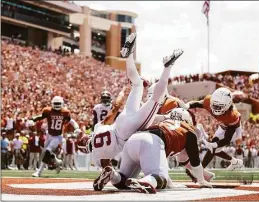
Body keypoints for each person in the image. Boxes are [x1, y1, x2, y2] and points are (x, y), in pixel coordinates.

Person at [77, 32, 183, 170]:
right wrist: (122, 94)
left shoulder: (96, 156)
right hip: (120, 122)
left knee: (156, 100)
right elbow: (112, 113)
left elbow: (108, 171)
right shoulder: (97, 128)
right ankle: (129, 55)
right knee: (137, 84)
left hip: (126, 133)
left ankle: (168, 67)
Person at [93, 108, 212, 194]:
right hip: (152, 142)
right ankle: (145, 181)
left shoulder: (163, 122)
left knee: (122, 181)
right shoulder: (188, 131)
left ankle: (112, 174)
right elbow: (195, 162)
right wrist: (202, 181)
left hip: (133, 140)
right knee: (161, 179)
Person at [187, 87, 244, 172]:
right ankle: (235, 162)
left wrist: (214, 144)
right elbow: (198, 103)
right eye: (215, 105)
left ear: (227, 105)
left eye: (219, 106)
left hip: (233, 130)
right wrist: (186, 105)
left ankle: (200, 170)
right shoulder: (210, 101)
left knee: (213, 149)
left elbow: (227, 139)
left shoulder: (232, 116)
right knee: (213, 150)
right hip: (222, 126)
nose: (216, 108)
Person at [30, 96, 80, 177]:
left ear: (62, 104)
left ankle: (39, 172)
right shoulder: (48, 110)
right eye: (55, 103)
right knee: (44, 152)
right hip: (49, 134)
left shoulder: (65, 112)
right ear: (52, 104)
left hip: (57, 136)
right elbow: (41, 116)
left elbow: (72, 121)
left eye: (58, 103)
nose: (57, 105)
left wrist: (77, 128)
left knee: (47, 151)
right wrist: (33, 119)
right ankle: (56, 160)